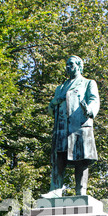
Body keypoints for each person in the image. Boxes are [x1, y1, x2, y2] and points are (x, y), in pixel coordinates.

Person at [44, 55, 100, 197]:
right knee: (59, 157)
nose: (68, 67)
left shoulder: (87, 83)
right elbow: (51, 109)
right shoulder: (60, 88)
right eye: (67, 65)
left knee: (81, 158)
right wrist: (54, 102)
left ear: (79, 66)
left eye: (71, 64)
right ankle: (55, 190)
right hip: (61, 128)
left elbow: (94, 100)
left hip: (79, 125)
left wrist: (89, 110)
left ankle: (80, 190)